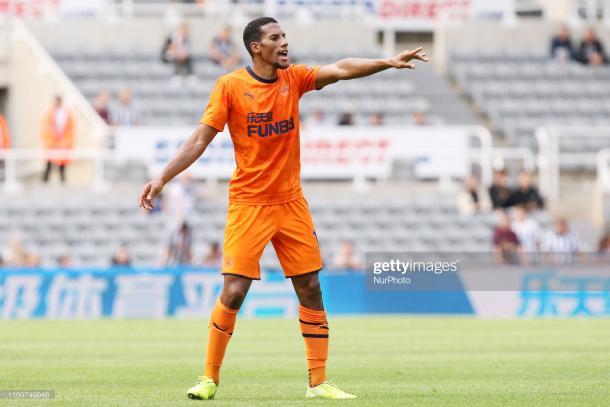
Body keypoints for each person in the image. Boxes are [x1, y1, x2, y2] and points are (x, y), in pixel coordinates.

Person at [139, 16, 427, 401]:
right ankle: (209, 378)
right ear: (257, 47)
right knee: (234, 291)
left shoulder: (295, 79)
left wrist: (386, 61)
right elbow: (199, 140)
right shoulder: (230, 87)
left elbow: (341, 69)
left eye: (285, 36)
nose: (285, 42)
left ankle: (318, 382)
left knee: (310, 287)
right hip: (248, 204)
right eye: (276, 37)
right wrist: (163, 177)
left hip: (291, 203)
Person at [40, 95, 75, 183]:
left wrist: (65, 141)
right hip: (52, 143)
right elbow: (46, 129)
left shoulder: (66, 114)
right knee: (49, 164)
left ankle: (62, 182)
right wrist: (50, 141)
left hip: (62, 143)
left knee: (62, 165)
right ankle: (45, 181)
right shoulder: (49, 114)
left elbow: (69, 129)